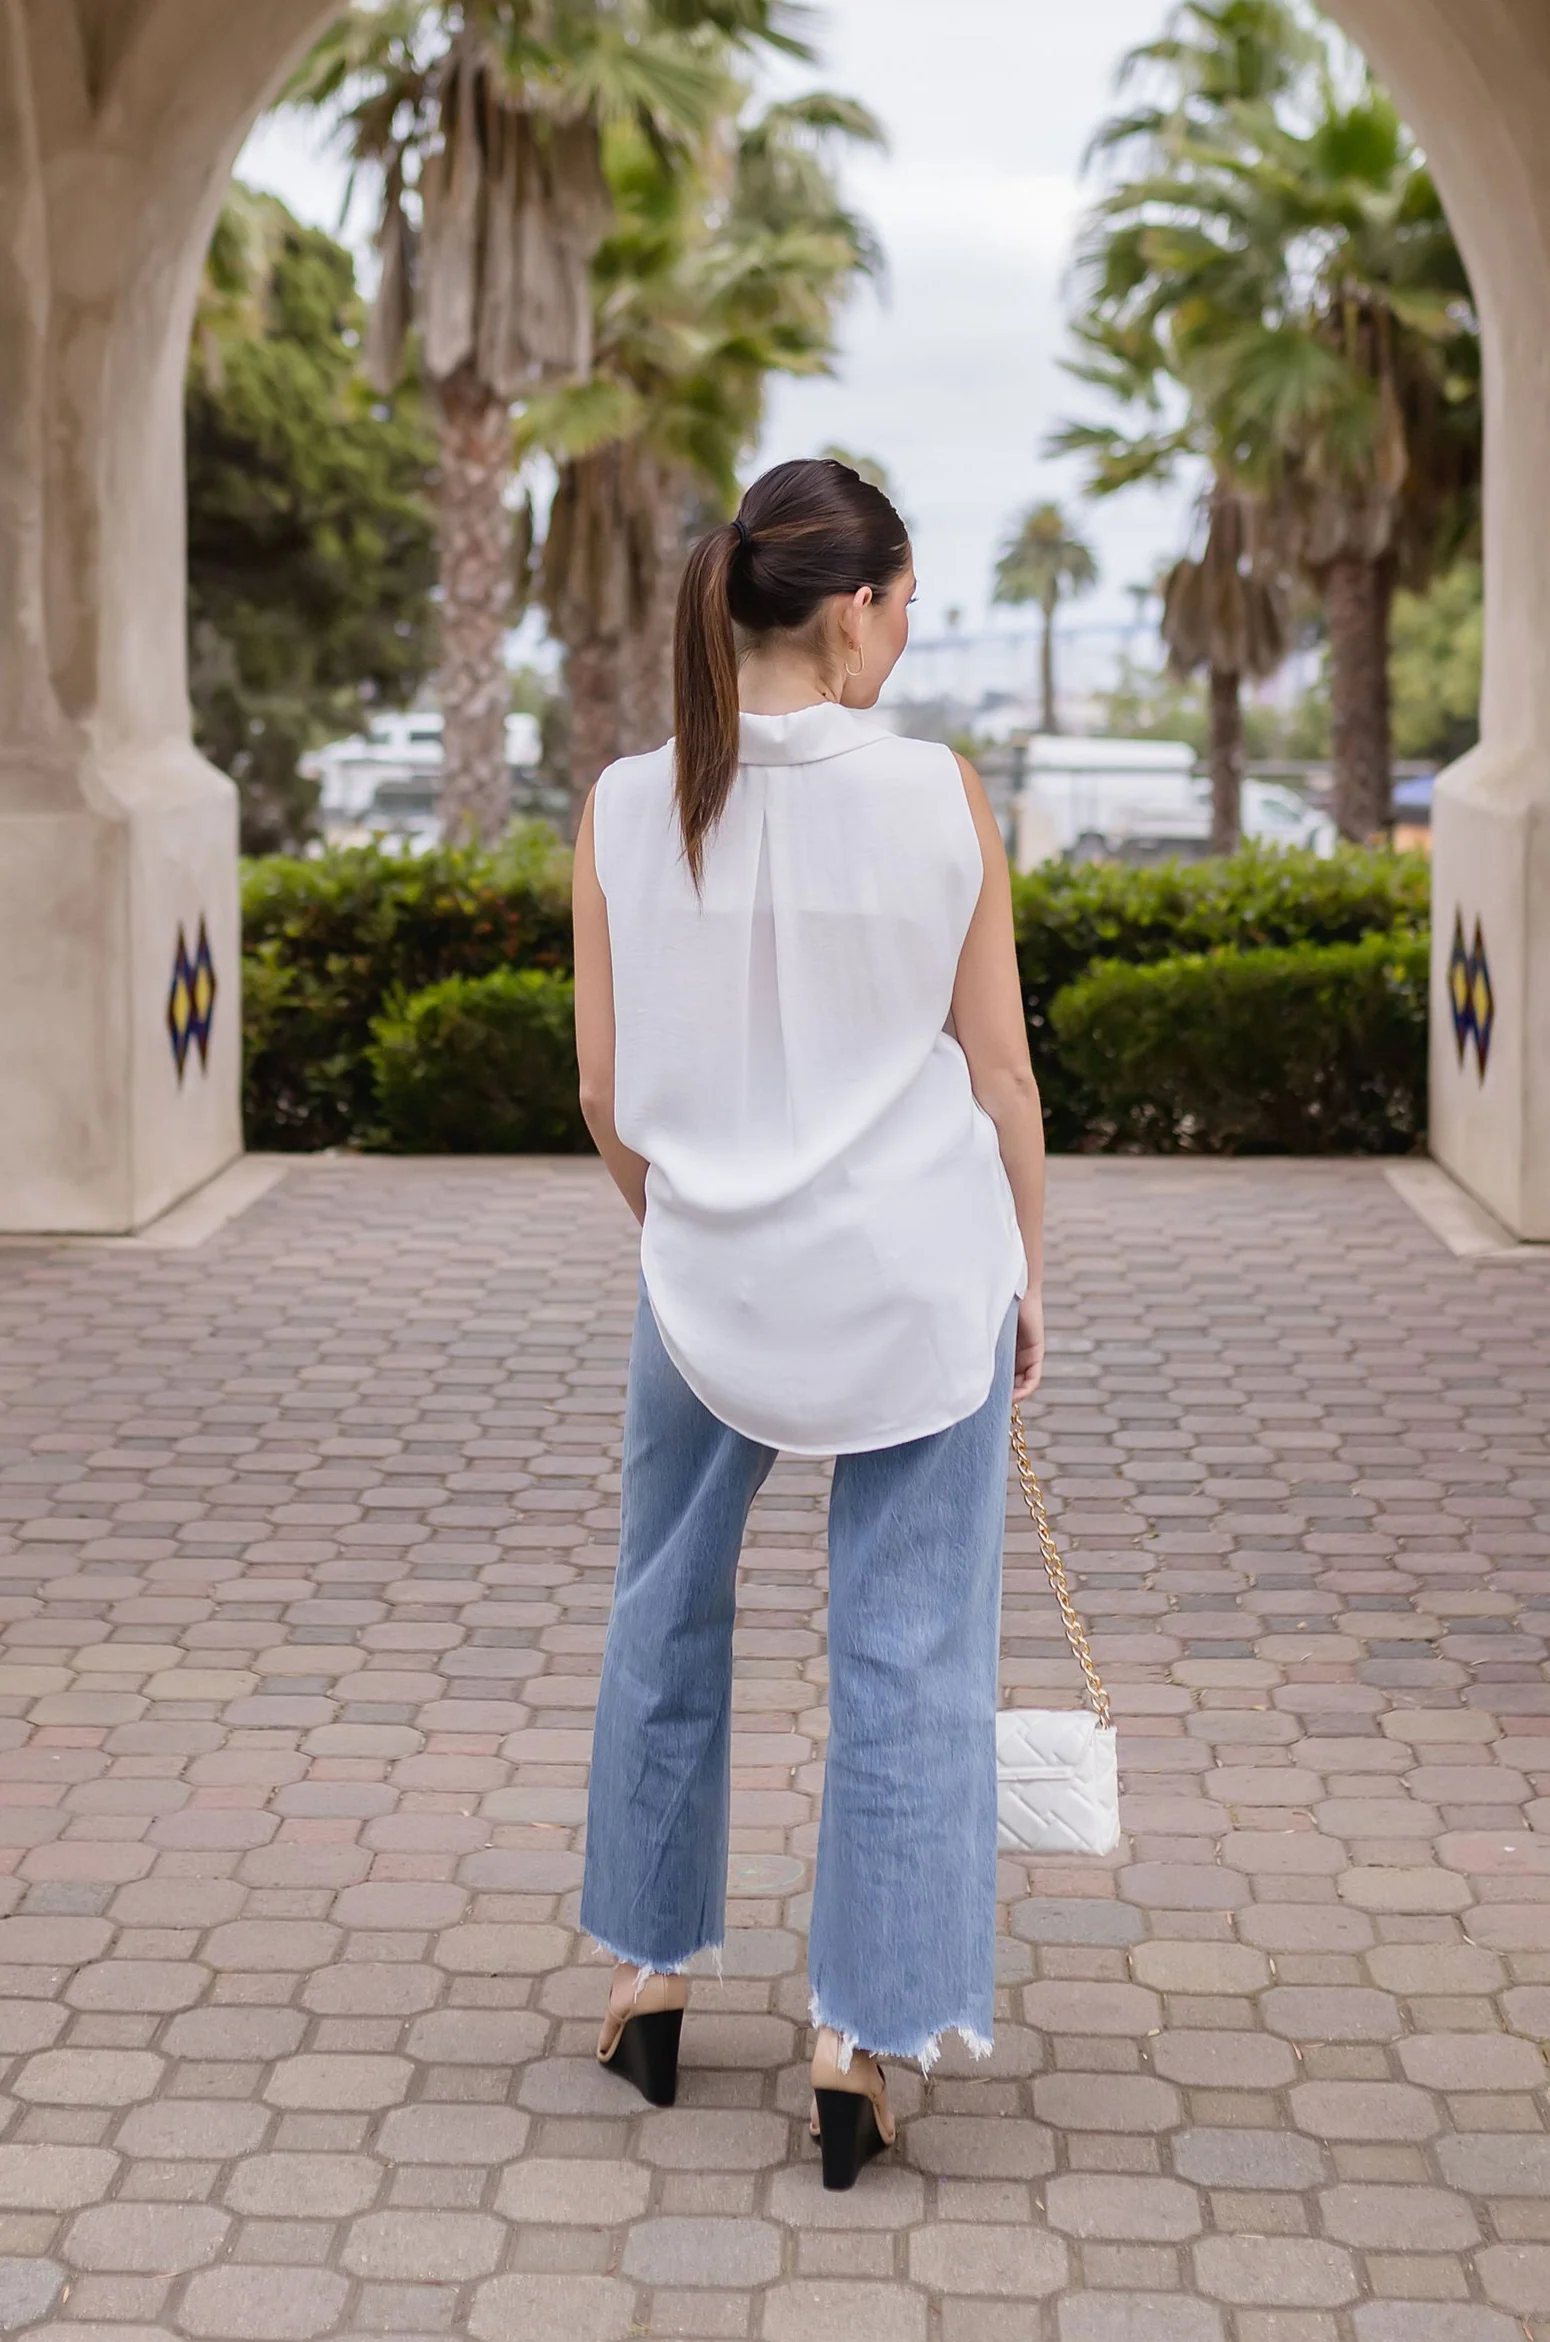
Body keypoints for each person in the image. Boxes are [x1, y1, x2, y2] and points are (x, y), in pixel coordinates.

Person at [572, 455, 1046, 2189]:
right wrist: (1026, 1271)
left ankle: (647, 1973)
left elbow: (603, 1090)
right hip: (920, 1275)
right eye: (905, 605)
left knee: (664, 1605)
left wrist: (695, 1227)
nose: (904, 635)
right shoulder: (937, 792)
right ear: (852, 609)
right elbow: (999, 1074)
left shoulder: (629, 801)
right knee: (908, 1650)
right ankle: (859, 2038)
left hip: (705, 1274)